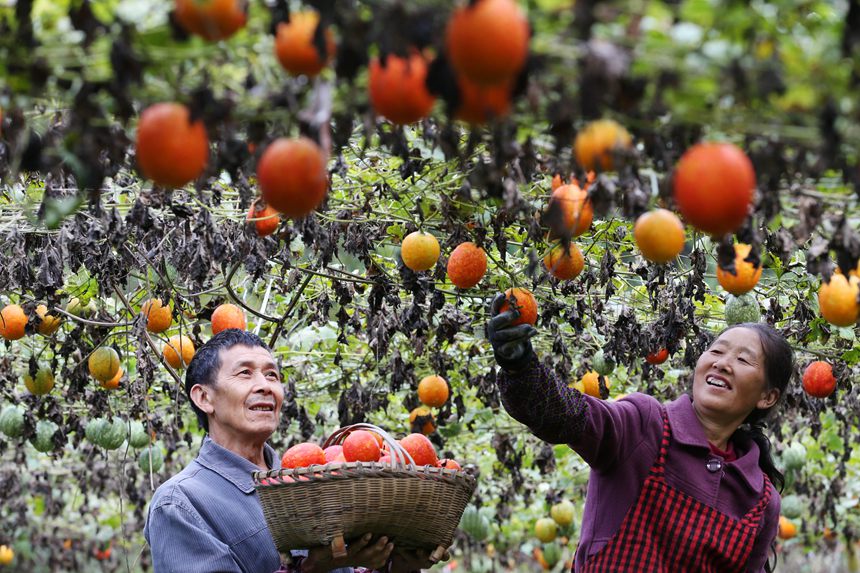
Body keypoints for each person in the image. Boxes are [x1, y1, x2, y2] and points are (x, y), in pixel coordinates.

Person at [487, 294, 793, 573]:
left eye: (742, 360)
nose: (722, 363)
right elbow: (568, 415)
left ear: (767, 397)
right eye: (716, 351)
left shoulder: (760, 500)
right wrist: (520, 367)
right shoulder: (645, 425)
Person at [144, 329, 435, 573]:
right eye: (245, 373)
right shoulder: (181, 504)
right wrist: (309, 569)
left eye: (272, 376)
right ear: (204, 398)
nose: (265, 386)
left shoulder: (312, 482)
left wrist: (398, 565)